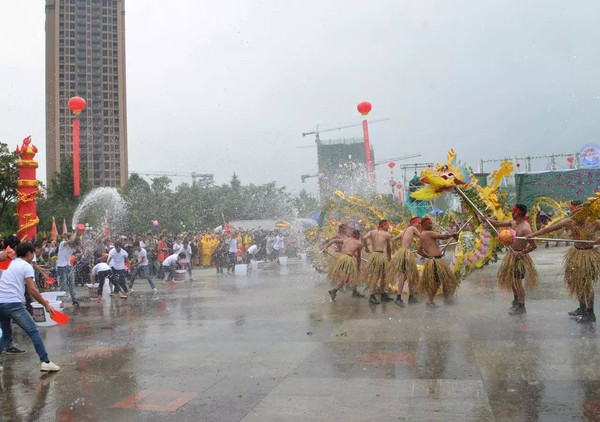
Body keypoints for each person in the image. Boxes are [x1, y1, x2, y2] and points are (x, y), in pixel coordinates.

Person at [528, 200, 600, 323]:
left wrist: (598, 240)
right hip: (576, 254)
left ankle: (590, 313)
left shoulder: (594, 222)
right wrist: (533, 235)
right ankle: (582, 308)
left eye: (576, 211)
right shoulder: (570, 222)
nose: (574, 214)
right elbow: (549, 229)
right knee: (577, 282)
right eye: (573, 212)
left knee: (586, 285)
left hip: (588, 254)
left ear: (583, 211)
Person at [0, 242, 60, 372]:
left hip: (1, 303)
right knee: (33, 331)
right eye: (33, 253)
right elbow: (32, 290)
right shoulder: (26, 266)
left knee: (6, 335)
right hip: (13, 304)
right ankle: (45, 361)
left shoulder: (9, 263)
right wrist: (46, 305)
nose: (34, 256)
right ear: (28, 253)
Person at [485, 204, 538, 315]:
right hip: (511, 256)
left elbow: (534, 245)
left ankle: (521, 306)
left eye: (513, 212)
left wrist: (521, 253)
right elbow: (498, 224)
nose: (512, 214)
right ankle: (516, 301)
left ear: (518, 213)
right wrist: (487, 219)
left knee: (517, 283)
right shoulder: (513, 223)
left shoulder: (525, 228)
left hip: (519, 259)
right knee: (513, 282)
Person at [418, 218, 459, 308]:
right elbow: (443, 237)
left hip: (433, 260)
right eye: (429, 224)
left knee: (445, 280)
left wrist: (428, 257)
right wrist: (453, 234)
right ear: (425, 225)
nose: (431, 225)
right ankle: (431, 302)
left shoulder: (422, 235)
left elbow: (419, 251)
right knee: (439, 281)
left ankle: (446, 299)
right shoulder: (428, 233)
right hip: (436, 261)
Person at [388, 217, 422, 307]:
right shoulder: (413, 228)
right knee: (403, 275)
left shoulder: (405, 230)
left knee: (409, 275)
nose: (420, 225)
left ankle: (411, 296)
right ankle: (399, 298)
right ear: (414, 223)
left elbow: (393, 240)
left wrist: (397, 250)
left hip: (402, 253)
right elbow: (422, 237)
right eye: (419, 223)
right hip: (405, 253)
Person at [322, 229, 364, 301]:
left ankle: (355, 291)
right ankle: (334, 290)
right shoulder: (359, 243)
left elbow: (333, 241)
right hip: (347, 260)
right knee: (345, 279)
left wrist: (326, 247)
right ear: (358, 235)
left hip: (341, 259)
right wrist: (358, 267)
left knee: (351, 277)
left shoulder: (345, 240)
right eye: (359, 235)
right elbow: (359, 257)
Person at [361, 220, 393, 305]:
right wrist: (389, 257)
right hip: (380, 255)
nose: (388, 227)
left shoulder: (372, 232)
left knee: (383, 275)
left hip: (375, 255)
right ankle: (372, 296)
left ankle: (383, 294)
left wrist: (366, 248)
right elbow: (389, 248)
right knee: (377, 276)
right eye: (387, 225)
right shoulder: (387, 234)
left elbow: (364, 238)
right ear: (383, 225)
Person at [56, 232, 79, 307]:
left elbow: (76, 244)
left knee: (72, 285)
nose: (72, 243)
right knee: (63, 286)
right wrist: (76, 230)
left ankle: (74, 301)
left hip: (69, 267)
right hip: (61, 267)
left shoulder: (71, 248)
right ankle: (59, 302)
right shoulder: (63, 244)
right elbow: (71, 241)